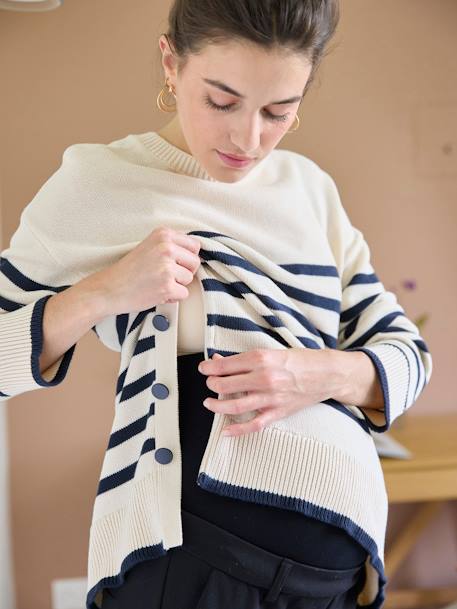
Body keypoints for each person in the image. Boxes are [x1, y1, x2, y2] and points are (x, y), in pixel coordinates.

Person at [0, 1, 433, 608]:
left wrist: (313, 374)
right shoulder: (97, 184)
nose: (247, 138)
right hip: (193, 563)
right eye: (221, 102)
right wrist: (106, 291)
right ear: (171, 64)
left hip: (339, 569)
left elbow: (407, 357)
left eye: (279, 112)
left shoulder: (311, 192)